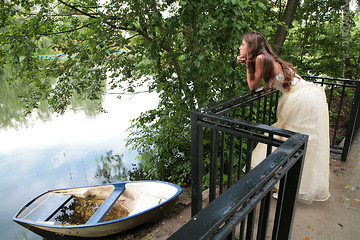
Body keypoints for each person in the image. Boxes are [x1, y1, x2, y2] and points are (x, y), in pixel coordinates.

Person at [237, 32, 330, 204]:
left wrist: (247, 65)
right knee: (299, 143)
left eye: (243, 44)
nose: (240, 47)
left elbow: (252, 85)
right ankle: (289, 186)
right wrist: (248, 62)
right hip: (306, 93)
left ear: (251, 46)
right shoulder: (266, 57)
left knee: (291, 143)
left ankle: (287, 189)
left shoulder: (258, 59)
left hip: (300, 99)